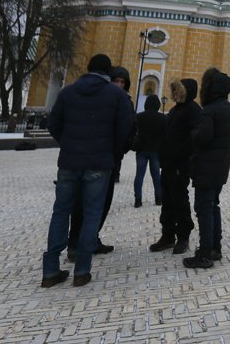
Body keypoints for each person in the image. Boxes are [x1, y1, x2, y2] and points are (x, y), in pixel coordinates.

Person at [40, 53, 133, 289]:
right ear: (108, 72)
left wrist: (70, 145)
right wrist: (110, 152)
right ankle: (82, 270)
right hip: (99, 164)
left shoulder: (67, 92)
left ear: (88, 68)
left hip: (69, 162)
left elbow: (53, 124)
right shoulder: (116, 95)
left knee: (60, 213)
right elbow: (125, 129)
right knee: (92, 213)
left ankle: (51, 270)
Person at [69, 66, 134, 257]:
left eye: (123, 82)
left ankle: (91, 239)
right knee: (84, 204)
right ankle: (76, 244)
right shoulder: (101, 99)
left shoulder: (125, 102)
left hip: (110, 160)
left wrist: (121, 149)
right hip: (91, 158)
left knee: (102, 204)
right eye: (117, 81)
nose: (119, 85)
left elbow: (130, 129)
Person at [184, 67, 230, 268]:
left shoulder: (208, 111)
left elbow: (202, 137)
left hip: (205, 166)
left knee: (203, 208)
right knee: (213, 205)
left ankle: (205, 253)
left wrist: (193, 134)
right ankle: (216, 248)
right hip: (221, 166)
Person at [153, 78, 202, 254]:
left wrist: (183, 155)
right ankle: (167, 234)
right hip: (168, 163)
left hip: (180, 164)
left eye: (177, 91)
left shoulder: (194, 110)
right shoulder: (175, 110)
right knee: (167, 200)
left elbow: (194, 138)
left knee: (180, 200)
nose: (174, 94)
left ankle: (183, 236)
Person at [132, 94, 166, 208]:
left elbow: (134, 131)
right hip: (156, 150)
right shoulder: (163, 118)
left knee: (139, 175)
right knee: (156, 175)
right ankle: (158, 198)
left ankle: (138, 199)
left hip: (141, 149)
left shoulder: (139, 116)